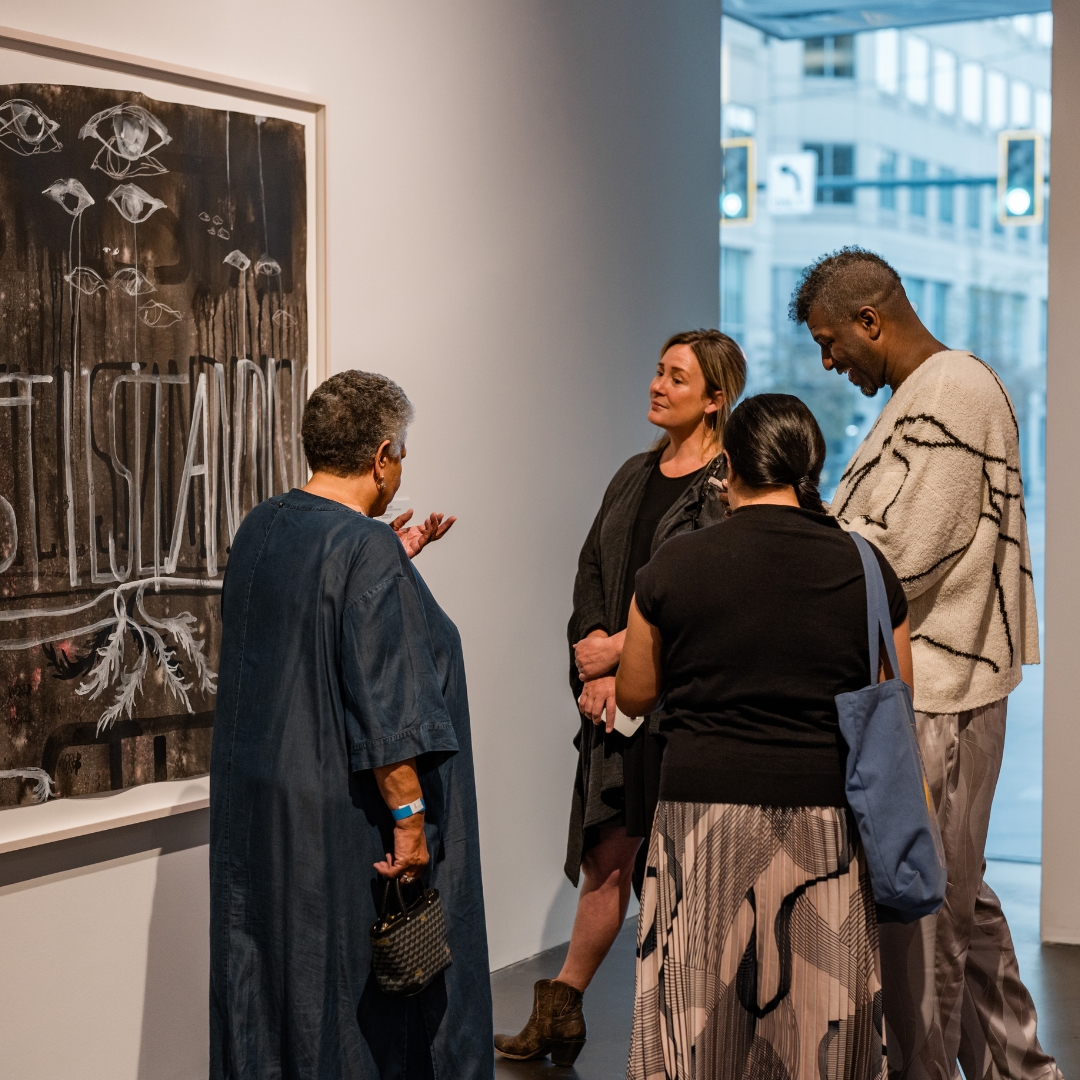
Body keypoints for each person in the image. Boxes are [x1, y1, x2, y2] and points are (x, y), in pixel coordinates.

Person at [793, 246, 1061, 1080]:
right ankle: (1021, 1070)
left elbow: (903, 550)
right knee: (960, 897)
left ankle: (926, 1071)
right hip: (939, 683)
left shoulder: (950, 391)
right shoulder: (933, 392)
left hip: (940, 688)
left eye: (832, 341)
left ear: (872, 320)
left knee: (926, 917)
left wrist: (799, 562)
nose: (829, 362)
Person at [209, 370, 493, 1080]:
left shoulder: (263, 524)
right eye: (403, 453)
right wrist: (408, 822)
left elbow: (308, 625)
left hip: (259, 809)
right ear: (382, 455)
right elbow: (385, 708)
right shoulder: (363, 548)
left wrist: (387, 567)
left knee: (268, 984)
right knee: (343, 1002)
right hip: (340, 819)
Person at [620, 393, 909, 1080]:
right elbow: (899, 697)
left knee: (696, 1034)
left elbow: (634, 692)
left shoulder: (676, 565)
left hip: (699, 818)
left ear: (728, 466)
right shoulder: (866, 568)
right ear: (811, 466)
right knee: (817, 1035)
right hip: (824, 823)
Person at [493, 330, 746, 1065]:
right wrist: (598, 663)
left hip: (682, 712)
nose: (656, 385)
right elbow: (593, 572)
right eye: (658, 372)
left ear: (714, 400)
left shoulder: (726, 487)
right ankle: (562, 1009)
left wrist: (628, 657)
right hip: (616, 707)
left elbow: (706, 603)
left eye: (676, 377)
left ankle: (688, 1024)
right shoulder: (634, 473)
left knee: (679, 867)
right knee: (609, 854)